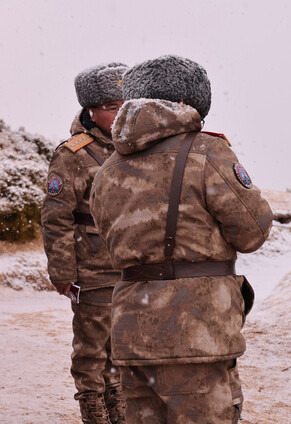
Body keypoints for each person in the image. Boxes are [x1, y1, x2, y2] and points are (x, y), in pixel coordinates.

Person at [89, 54, 273, 424]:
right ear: (191, 103)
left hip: (130, 332)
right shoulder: (207, 152)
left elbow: (108, 239)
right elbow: (253, 231)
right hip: (197, 331)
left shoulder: (108, 166)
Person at [41, 62, 129, 424]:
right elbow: (55, 217)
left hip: (131, 267)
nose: (119, 112)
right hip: (92, 269)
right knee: (92, 347)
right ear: (91, 110)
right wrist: (62, 271)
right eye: (111, 106)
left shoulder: (135, 148)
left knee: (122, 345)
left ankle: (118, 399)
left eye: (125, 103)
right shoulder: (73, 154)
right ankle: (92, 404)